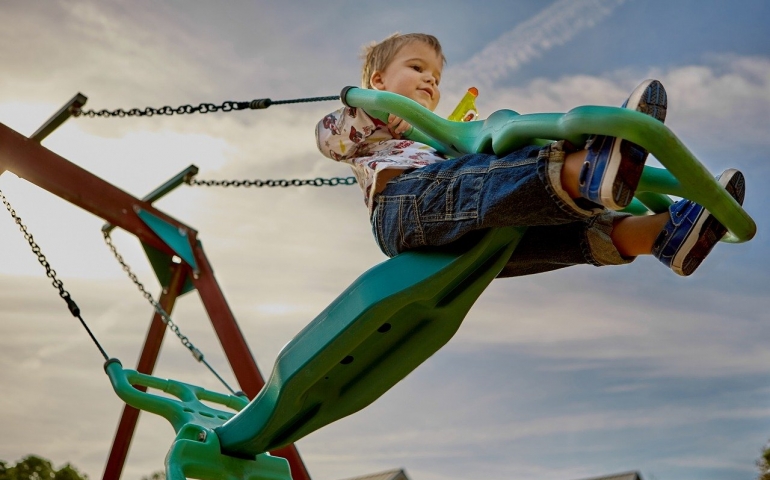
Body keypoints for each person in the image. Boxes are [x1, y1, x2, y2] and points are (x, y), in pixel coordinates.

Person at [315, 33, 745, 277]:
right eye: (416, 68)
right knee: (485, 176)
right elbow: (329, 138)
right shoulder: (363, 124)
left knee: (534, 235)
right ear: (377, 80)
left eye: (435, 76)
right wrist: (371, 106)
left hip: (457, 239)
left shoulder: (435, 135)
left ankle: (659, 234)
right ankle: (584, 170)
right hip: (403, 212)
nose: (429, 80)